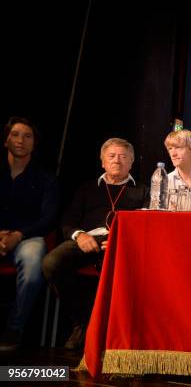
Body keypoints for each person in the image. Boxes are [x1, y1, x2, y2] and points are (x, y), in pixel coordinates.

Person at [42, 138, 148, 350]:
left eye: (123, 156)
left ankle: (120, 336)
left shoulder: (144, 191)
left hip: (123, 246)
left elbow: (146, 225)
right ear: (102, 161)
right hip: (87, 241)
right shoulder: (87, 189)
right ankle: (85, 319)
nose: (117, 160)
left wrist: (121, 240)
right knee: (51, 263)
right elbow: (68, 220)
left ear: (131, 162)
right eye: (111, 156)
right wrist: (79, 235)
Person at [0, 117, 59, 351]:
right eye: (15, 134)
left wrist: (19, 234)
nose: (21, 140)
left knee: (35, 263)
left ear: (34, 144)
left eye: (27, 136)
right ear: (6, 140)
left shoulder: (46, 179)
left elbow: (49, 218)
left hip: (28, 237)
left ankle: (14, 328)